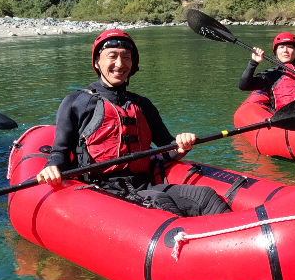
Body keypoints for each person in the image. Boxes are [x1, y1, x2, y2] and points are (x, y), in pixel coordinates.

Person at [35, 30, 230, 217]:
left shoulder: (142, 105)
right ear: (97, 61)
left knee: (206, 197)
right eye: (112, 56)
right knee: (161, 203)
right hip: (100, 190)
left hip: (143, 185)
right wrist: (52, 168)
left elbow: (167, 149)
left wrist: (182, 145)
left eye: (126, 57)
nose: (120, 64)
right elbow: (60, 152)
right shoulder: (76, 102)